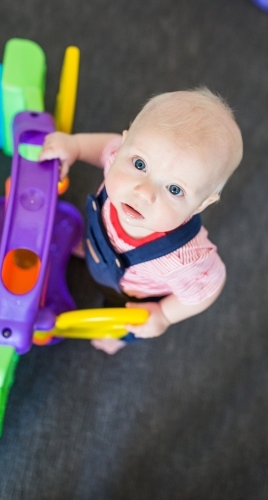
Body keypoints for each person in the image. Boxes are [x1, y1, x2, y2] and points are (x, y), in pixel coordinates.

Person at [39, 88, 243, 354]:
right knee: (94, 243)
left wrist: (164, 314)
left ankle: (119, 339)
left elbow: (209, 288)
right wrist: (75, 146)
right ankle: (89, 249)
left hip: (132, 296)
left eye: (174, 189)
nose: (143, 193)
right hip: (101, 239)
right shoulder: (119, 158)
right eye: (140, 164)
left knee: (130, 323)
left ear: (201, 205)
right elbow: (106, 146)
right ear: (125, 148)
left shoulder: (186, 259)